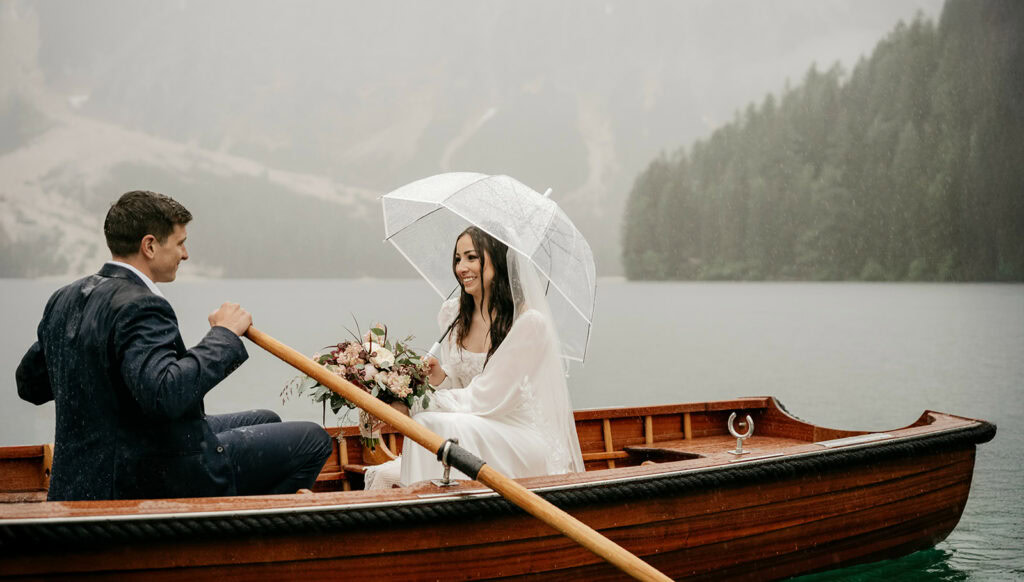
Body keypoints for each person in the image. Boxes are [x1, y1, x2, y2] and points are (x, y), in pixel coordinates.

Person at [15, 190, 332, 501]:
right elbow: (165, 394)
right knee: (314, 439)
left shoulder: (65, 298)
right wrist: (223, 335)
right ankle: (235, 531)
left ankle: (231, 505)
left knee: (265, 419)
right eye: (180, 243)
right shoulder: (142, 305)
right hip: (146, 476)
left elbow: (30, 384)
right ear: (149, 246)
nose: (185, 254)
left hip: (86, 472)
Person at [364, 226, 584, 489]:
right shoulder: (454, 314)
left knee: (432, 422)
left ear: (497, 259)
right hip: (473, 421)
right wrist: (441, 377)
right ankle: (426, 501)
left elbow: (487, 397)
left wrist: (413, 405)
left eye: (471, 257)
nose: (461, 268)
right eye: (458, 259)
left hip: (517, 432)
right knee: (434, 425)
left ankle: (438, 505)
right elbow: (460, 387)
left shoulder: (528, 324)